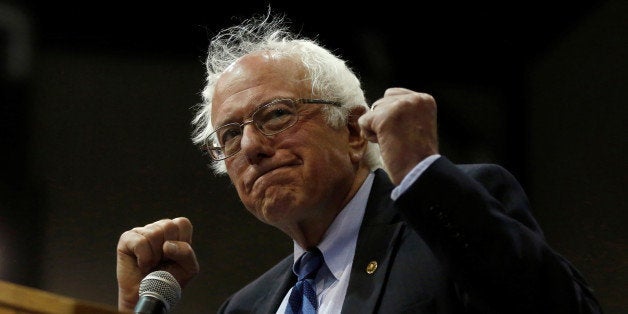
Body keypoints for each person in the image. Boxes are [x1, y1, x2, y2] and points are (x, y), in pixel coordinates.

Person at [116, 11, 603, 314]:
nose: (250, 147)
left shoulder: (450, 219)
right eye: (229, 134)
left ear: (352, 131)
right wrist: (135, 310)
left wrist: (422, 173)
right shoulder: (245, 307)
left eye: (277, 115)